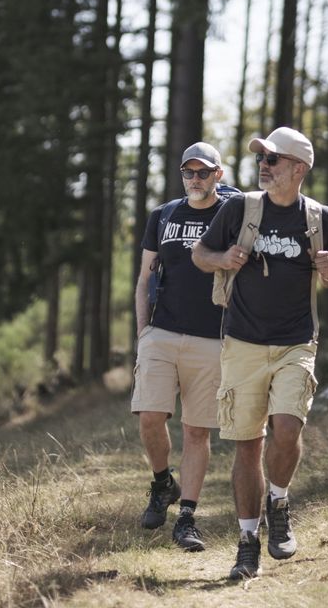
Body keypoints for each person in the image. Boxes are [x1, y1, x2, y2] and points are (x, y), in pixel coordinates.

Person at [191, 126, 328, 580]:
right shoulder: (241, 208)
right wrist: (224, 261)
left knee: (285, 429)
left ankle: (278, 501)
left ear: (298, 169)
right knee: (246, 448)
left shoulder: (320, 218)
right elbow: (201, 254)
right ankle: (246, 543)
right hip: (241, 343)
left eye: (273, 159)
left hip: (297, 341)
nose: (264, 164)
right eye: (262, 157)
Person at [132, 141, 234, 552]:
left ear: (218, 176)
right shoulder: (164, 215)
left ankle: (187, 519)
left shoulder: (232, 215)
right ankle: (162, 484)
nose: (195, 179)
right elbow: (143, 279)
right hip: (162, 333)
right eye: (189, 173)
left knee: (197, 431)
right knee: (150, 417)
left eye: (204, 172)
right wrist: (143, 331)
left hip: (212, 338)